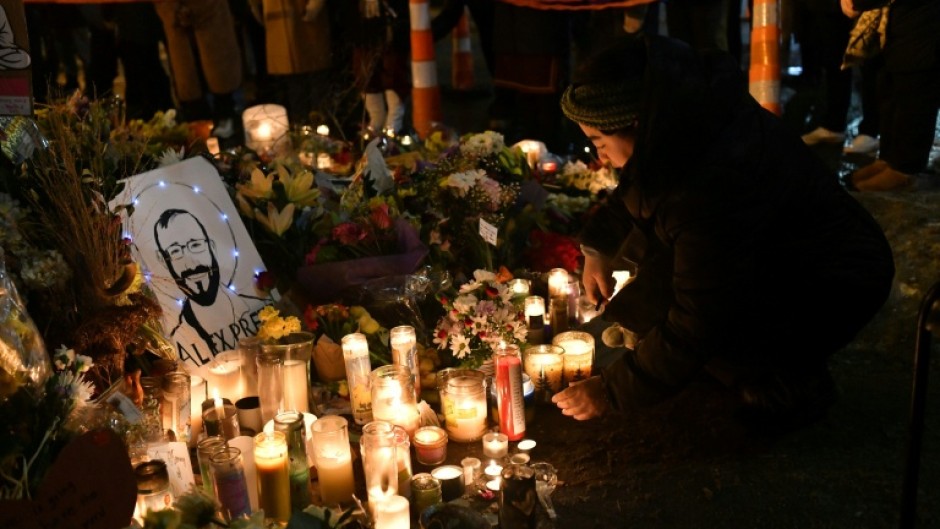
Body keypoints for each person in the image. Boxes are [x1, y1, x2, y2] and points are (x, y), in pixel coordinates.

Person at [552, 35, 895, 432]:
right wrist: (597, 247)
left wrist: (611, 391)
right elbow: (640, 184)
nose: (599, 159)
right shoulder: (682, 119)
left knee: (712, 323)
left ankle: (785, 383)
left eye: (599, 143)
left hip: (834, 279)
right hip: (780, 250)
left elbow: (699, 315)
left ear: (636, 125)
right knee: (657, 294)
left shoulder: (712, 181)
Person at [842, 0, 940, 191]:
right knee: (891, 92)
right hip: (898, 26)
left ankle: (905, 171)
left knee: (913, 94)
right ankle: (888, 159)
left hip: (922, 27)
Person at [154, 209, 266, 365]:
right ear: (162, 260)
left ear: (212, 247)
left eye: (196, 244)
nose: (191, 263)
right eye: (175, 251)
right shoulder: (176, 342)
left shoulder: (260, 310)